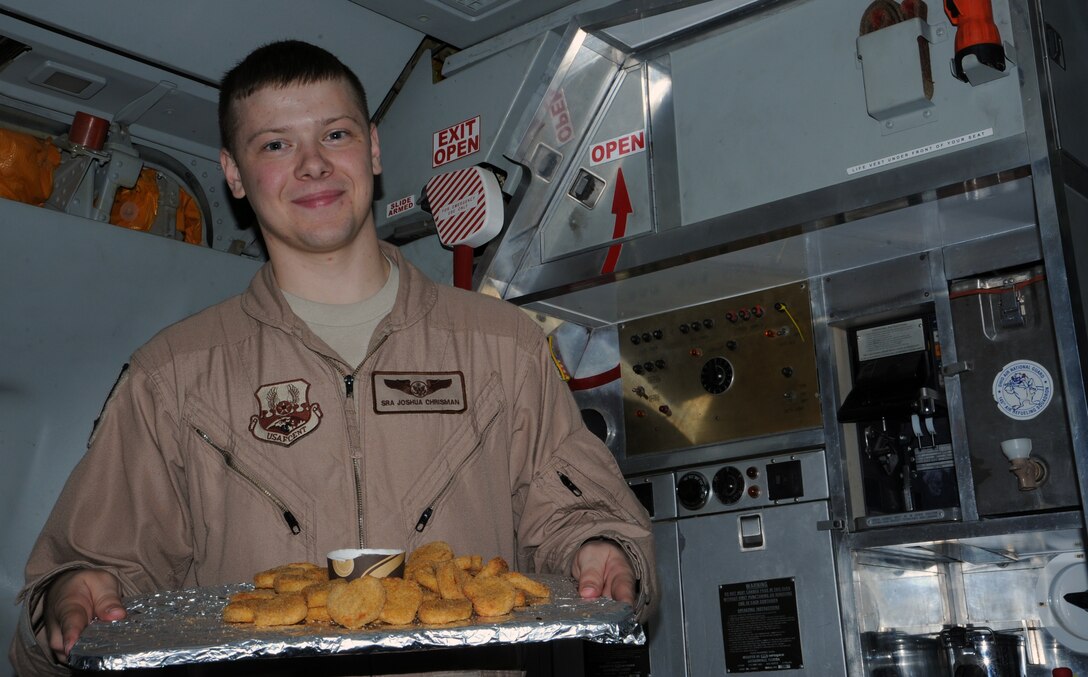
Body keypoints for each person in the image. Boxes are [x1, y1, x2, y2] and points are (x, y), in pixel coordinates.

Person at [9, 40, 656, 675]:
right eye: (275, 145)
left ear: (372, 149)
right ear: (233, 173)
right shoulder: (174, 376)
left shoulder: (504, 347)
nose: (313, 165)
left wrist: (599, 550)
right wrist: (74, 595)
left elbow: (578, 516)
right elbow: (93, 566)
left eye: (336, 135)